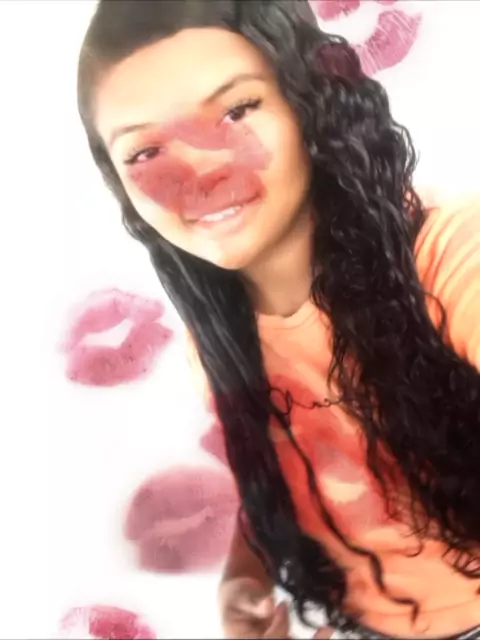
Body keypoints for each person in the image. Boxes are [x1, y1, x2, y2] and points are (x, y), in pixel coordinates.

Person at [76, 1, 480, 638]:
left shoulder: (453, 256)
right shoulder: (214, 341)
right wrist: (249, 570)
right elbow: (295, 468)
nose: (201, 173)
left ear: (308, 100)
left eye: (237, 111)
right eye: (147, 150)